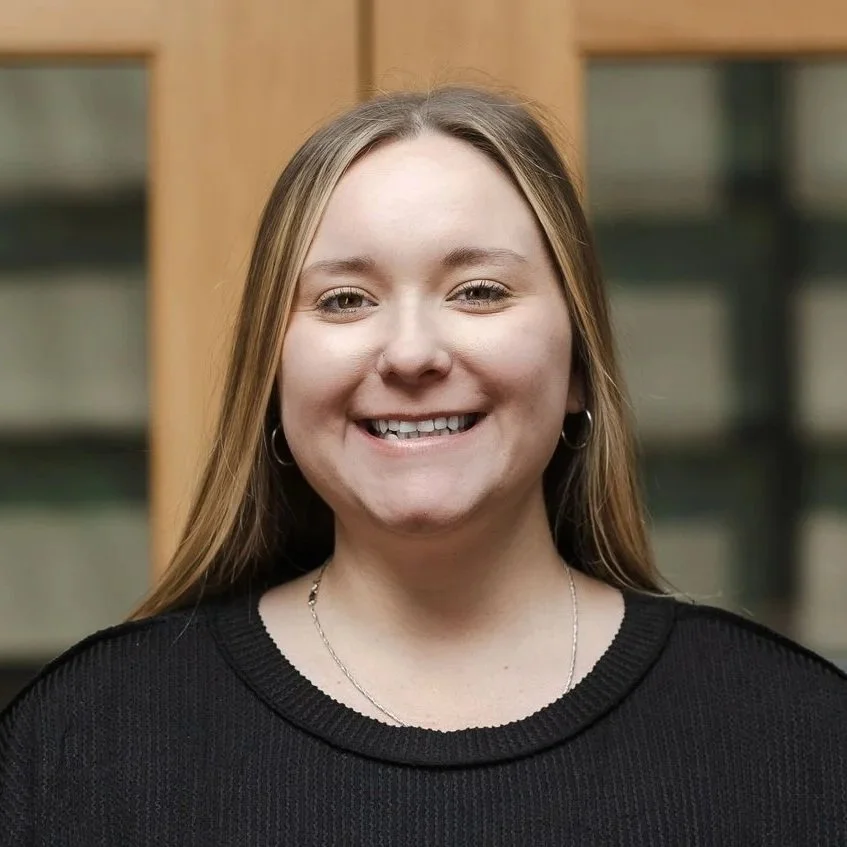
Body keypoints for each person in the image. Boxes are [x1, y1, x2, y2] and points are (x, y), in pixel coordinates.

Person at [1, 86, 846, 845]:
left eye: (478, 290)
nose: (409, 352)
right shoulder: (88, 741)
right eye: (344, 299)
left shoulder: (796, 738)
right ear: (273, 372)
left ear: (580, 365)